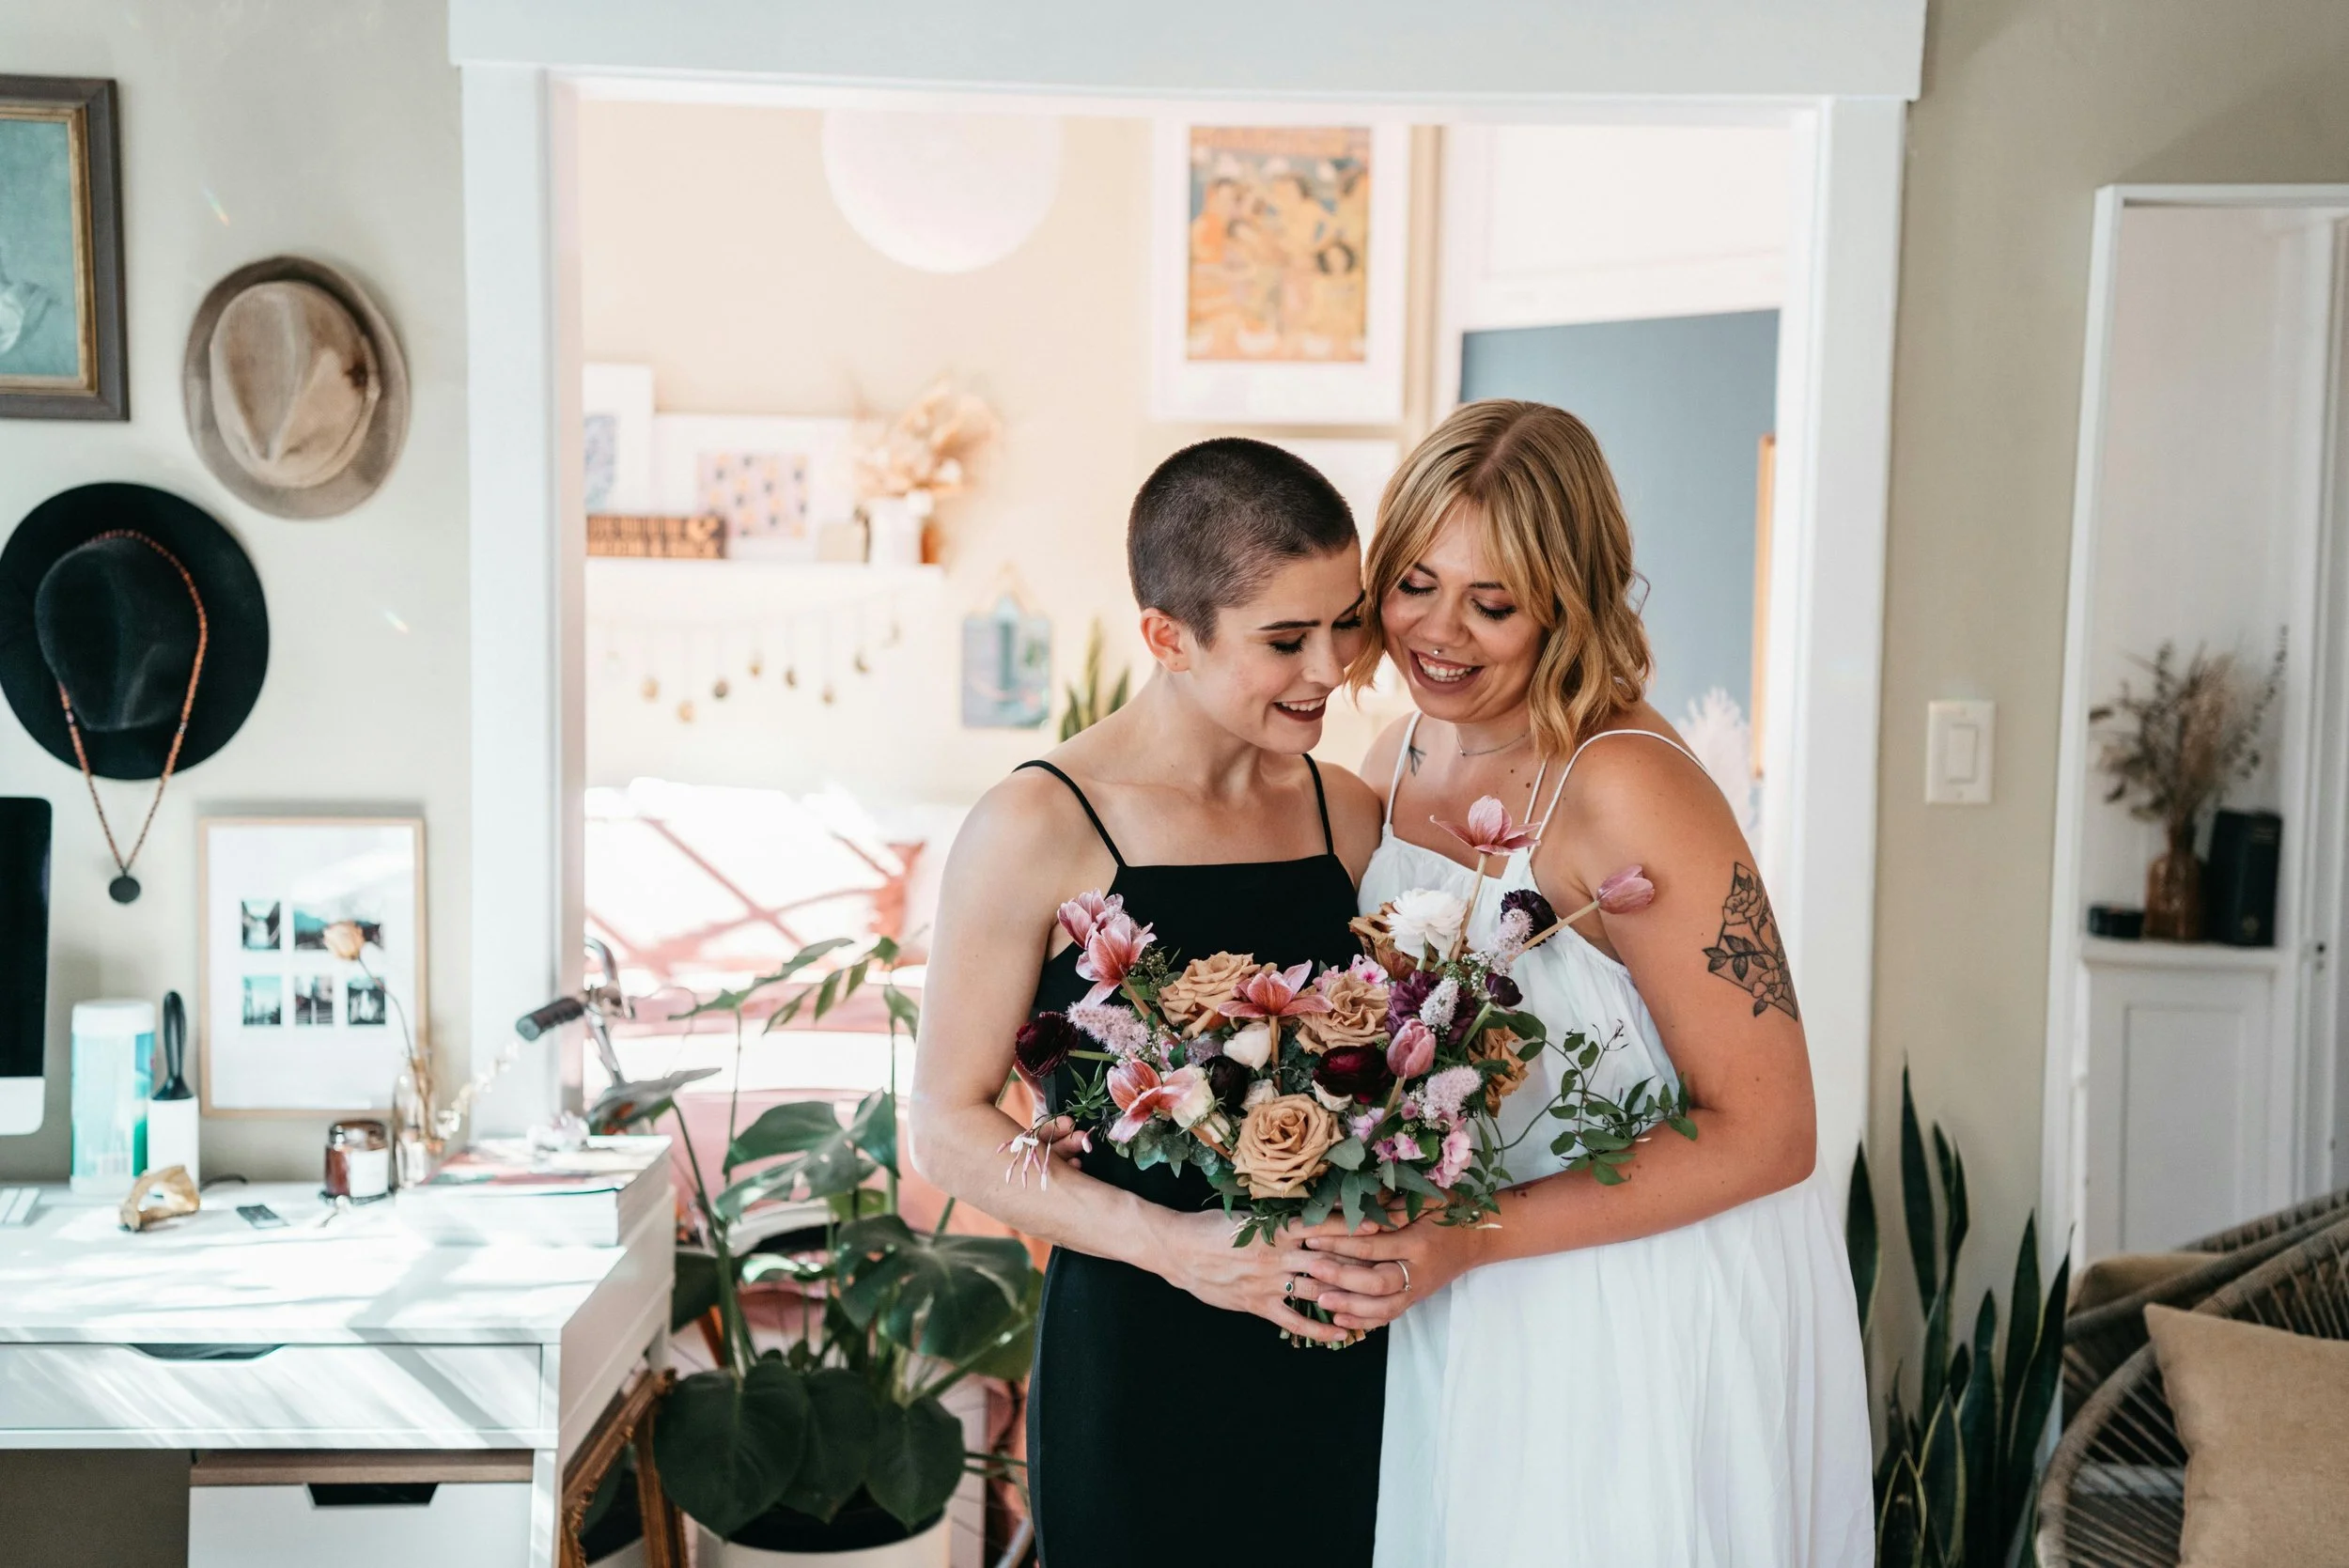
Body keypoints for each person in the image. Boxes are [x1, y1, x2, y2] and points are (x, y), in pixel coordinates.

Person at [1295, 400, 1873, 1565]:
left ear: (1570, 597)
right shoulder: (1393, 759)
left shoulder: (1625, 785)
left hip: (1634, 1297)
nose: (1438, 633)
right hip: (1468, 1285)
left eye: (1492, 602)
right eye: (1413, 583)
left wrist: (1469, 1237)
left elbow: (1771, 1130)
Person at [907, 438, 1401, 1567]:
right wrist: (1177, 1247)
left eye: (1347, 620)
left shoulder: (1349, 811)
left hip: (1348, 1357)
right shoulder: (1036, 825)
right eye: (1285, 639)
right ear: (1167, 636)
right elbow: (944, 1122)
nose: (1331, 668)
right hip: (1140, 1360)